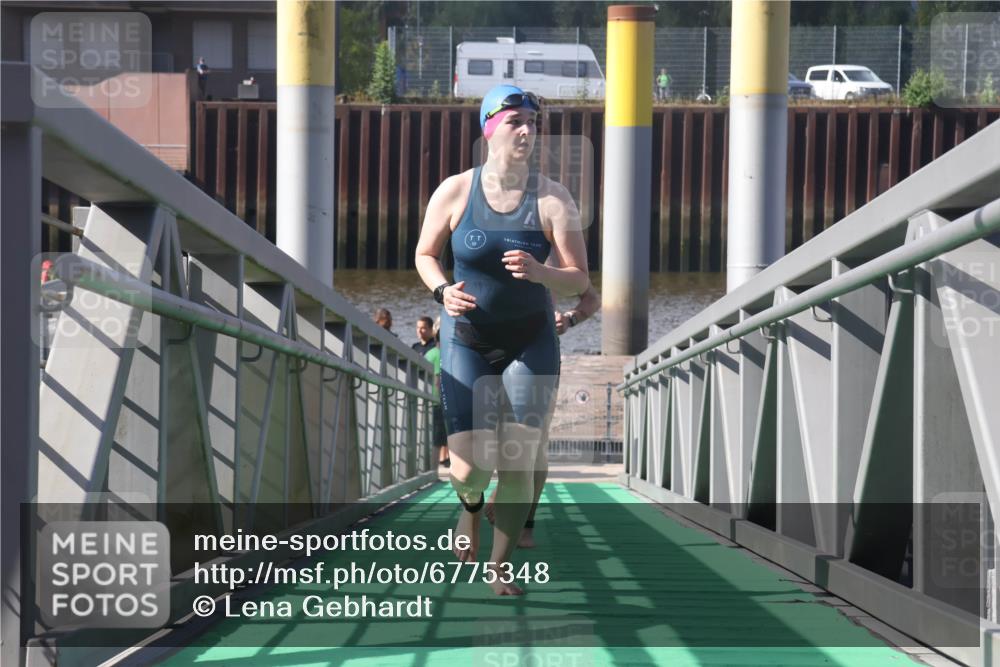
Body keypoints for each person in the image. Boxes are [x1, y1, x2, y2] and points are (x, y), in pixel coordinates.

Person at [415, 84, 589, 595]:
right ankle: (470, 509)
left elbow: (579, 281)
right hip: (467, 339)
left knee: (518, 461)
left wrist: (542, 272)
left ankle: (499, 566)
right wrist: (442, 290)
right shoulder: (456, 191)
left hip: (530, 339)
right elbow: (425, 254)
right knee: (470, 469)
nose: (527, 131)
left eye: (533, 122)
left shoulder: (553, 198)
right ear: (489, 128)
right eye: (515, 121)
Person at [485, 279, 601, 548]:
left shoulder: (554, 253)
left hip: (539, 349)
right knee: (496, 433)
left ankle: (525, 524)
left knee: (535, 439)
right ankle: (504, 489)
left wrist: (569, 319)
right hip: (489, 346)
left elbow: (592, 298)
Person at [423, 317, 450, 467]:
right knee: (439, 437)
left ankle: (431, 467)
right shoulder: (440, 354)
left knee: (434, 436)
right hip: (438, 402)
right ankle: (435, 467)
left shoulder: (430, 353)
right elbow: (438, 381)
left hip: (427, 400)